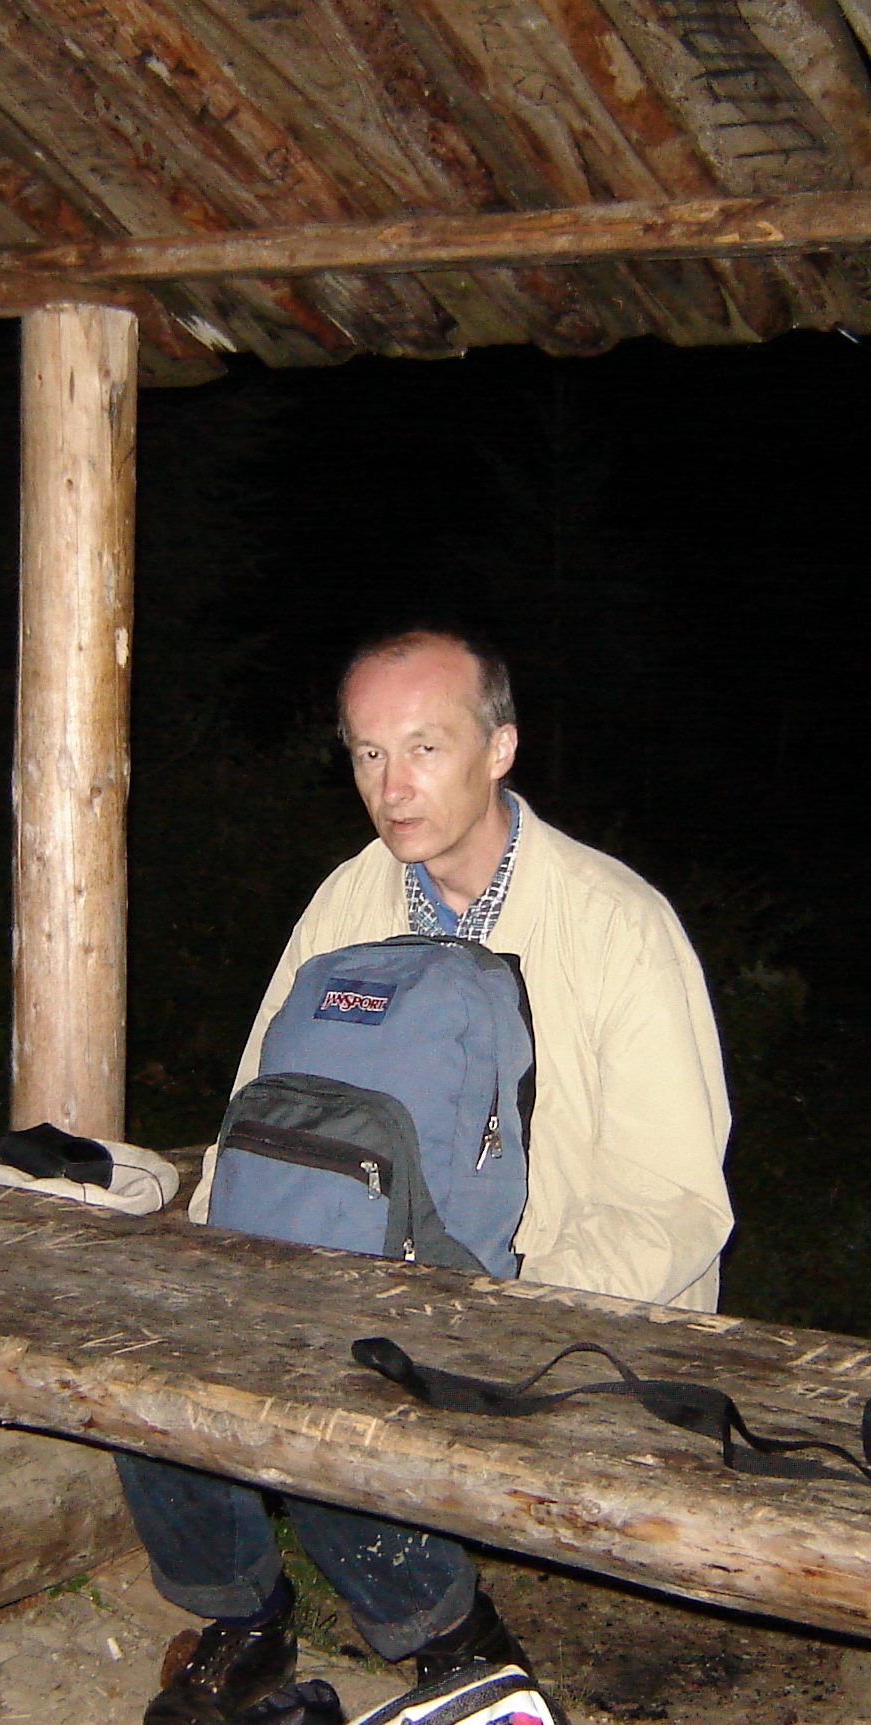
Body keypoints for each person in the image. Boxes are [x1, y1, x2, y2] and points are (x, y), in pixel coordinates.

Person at [129, 630, 733, 1725]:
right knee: (145, 1346)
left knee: (361, 1383)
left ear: (499, 748)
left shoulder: (614, 925)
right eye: (367, 754)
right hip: (371, 1274)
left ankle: (456, 1647)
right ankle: (246, 1616)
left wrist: (494, 1316)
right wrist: (220, 1273)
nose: (391, 787)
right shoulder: (346, 903)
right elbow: (258, 1111)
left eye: (423, 747)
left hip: (572, 1305)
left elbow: (675, 1205)